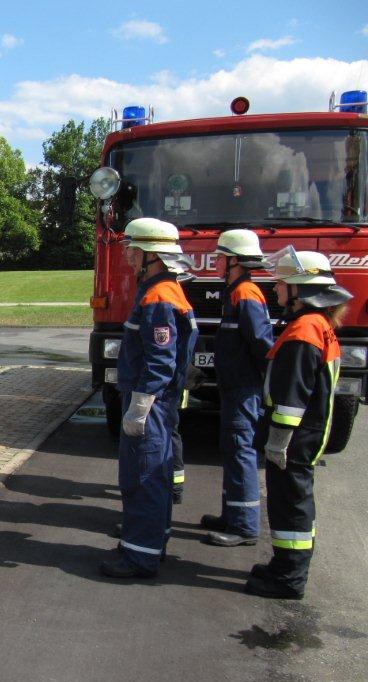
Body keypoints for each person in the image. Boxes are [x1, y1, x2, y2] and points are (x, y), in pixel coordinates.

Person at [245, 249, 351, 599]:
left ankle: (289, 578)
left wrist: (278, 443)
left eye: (282, 283)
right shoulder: (316, 324)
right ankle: (284, 566)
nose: (276, 288)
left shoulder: (304, 331)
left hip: (294, 439)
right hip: (305, 435)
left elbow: (291, 398)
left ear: (300, 290)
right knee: (293, 501)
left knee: (290, 505)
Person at [101, 218, 197, 579]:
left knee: (143, 477)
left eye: (134, 250)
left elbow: (160, 360)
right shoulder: (163, 289)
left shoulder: (159, 297)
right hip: (158, 400)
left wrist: (140, 406)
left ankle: (140, 557)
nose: (127, 256)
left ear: (151, 256)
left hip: (149, 401)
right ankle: (150, 542)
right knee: (153, 475)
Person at [201, 230, 275, 546]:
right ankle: (232, 514)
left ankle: (244, 527)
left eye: (220, 257)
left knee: (240, 450)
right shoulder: (235, 292)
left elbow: (261, 344)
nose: (215, 262)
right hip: (235, 386)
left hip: (243, 388)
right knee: (232, 449)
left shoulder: (245, 294)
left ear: (234, 261)